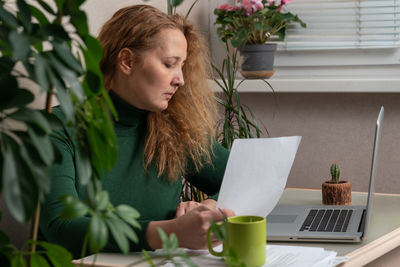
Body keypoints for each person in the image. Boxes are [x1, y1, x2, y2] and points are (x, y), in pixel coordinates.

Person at [39, 4, 235, 258]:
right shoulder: (57, 128)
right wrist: (170, 233)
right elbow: (60, 228)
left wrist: (209, 207)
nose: (180, 79)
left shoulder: (175, 128)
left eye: (182, 67)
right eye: (169, 64)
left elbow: (245, 177)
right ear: (127, 61)